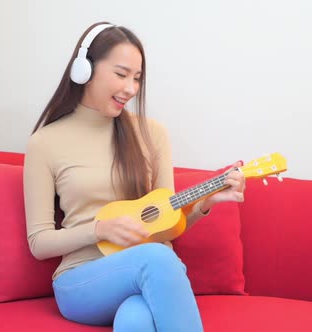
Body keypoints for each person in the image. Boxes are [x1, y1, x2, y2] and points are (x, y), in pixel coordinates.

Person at [23, 21, 246, 332]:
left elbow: (165, 228)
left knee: (136, 316)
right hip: (83, 281)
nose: (131, 88)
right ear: (85, 70)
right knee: (157, 259)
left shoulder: (152, 134)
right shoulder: (45, 143)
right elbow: (39, 242)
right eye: (121, 74)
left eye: (137, 78)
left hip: (146, 273)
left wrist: (204, 204)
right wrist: (99, 230)